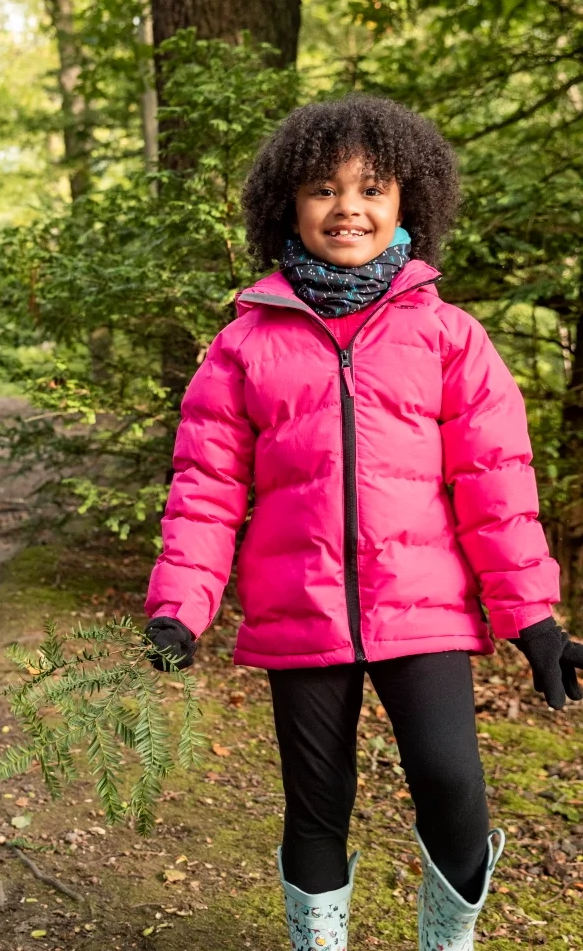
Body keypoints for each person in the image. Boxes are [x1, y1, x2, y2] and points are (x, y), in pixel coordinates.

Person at [144, 94, 583, 950]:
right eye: (323, 189)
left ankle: (447, 941)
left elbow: (497, 485)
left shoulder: (449, 337)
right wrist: (179, 610)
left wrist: (532, 619)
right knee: (316, 804)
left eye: (371, 188)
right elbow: (206, 487)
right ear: (288, 206)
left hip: (424, 610)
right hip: (299, 610)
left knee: (452, 784)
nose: (348, 207)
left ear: (408, 201)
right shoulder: (243, 346)